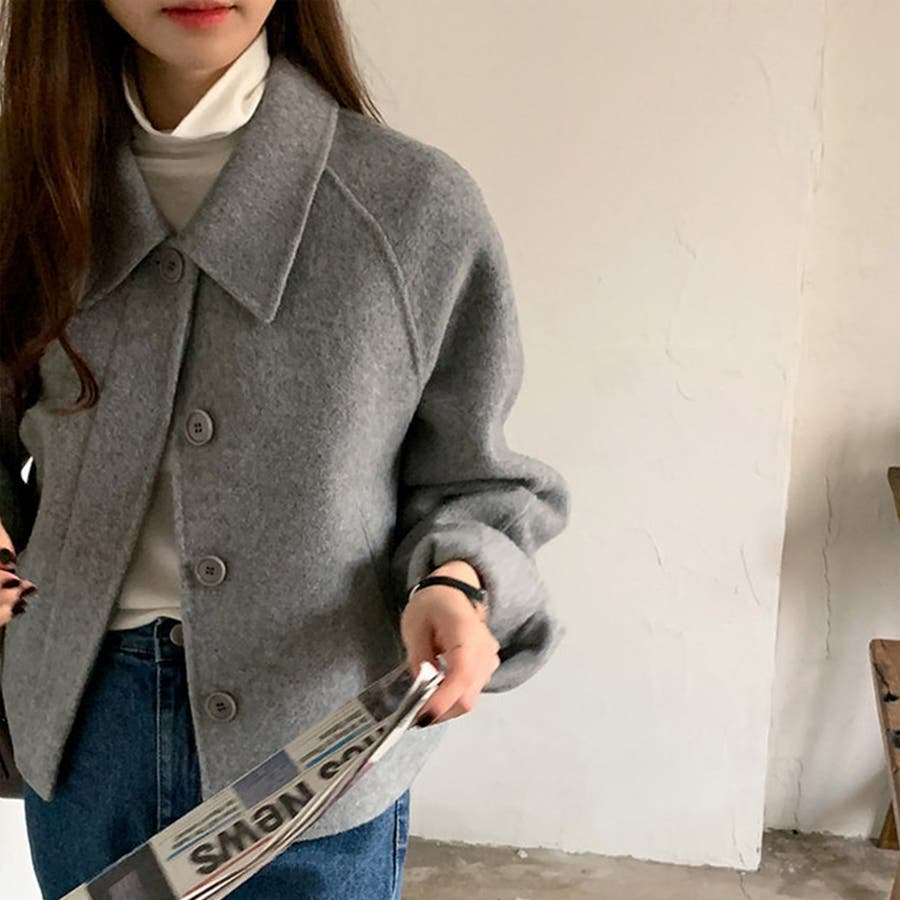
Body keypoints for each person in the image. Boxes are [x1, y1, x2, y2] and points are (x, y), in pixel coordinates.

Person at [0, 1, 570, 898]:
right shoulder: (26, 196)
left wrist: (456, 583)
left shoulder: (412, 207)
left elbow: (477, 478)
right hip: (81, 739)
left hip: (321, 747)